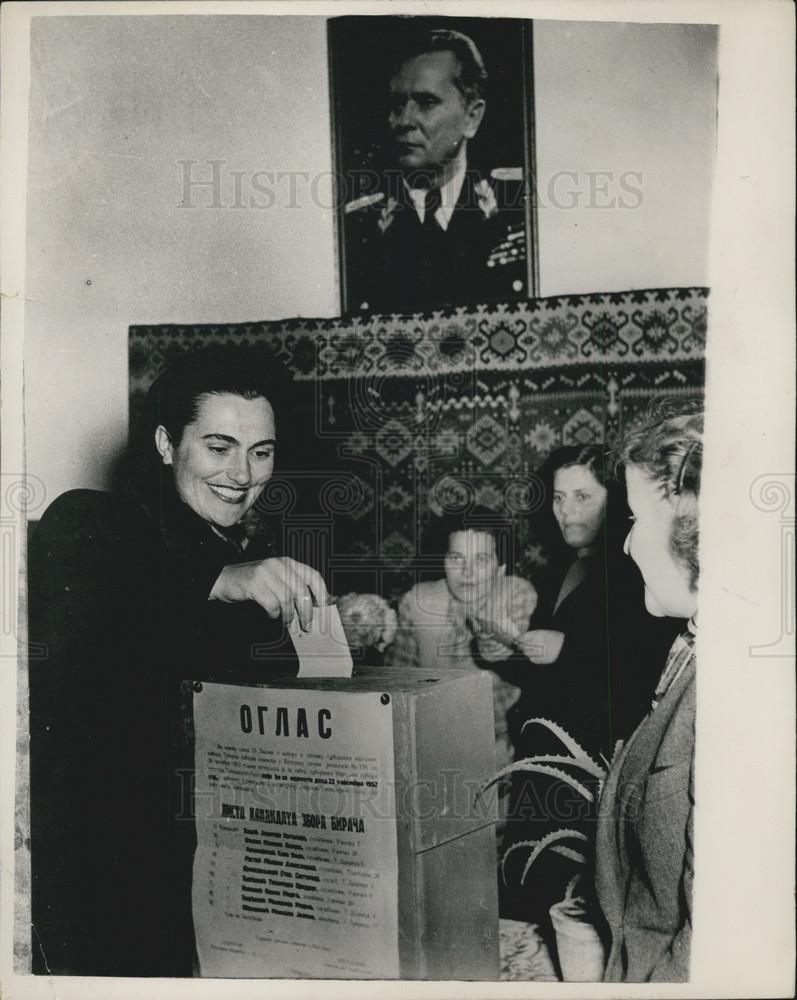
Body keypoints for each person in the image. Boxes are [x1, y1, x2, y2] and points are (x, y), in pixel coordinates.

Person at [27, 347, 329, 976]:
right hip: (109, 886)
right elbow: (90, 562)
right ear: (167, 445)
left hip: (228, 878)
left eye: (261, 451)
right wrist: (220, 578)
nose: (243, 474)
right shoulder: (94, 521)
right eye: (219, 447)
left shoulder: (248, 569)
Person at [594, 410, 702, 982]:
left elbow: (712, 945)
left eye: (637, 519)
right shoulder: (692, 648)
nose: (629, 544)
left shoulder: (733, 692)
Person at [509, 446, 680, 763]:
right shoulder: (556, 570)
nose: (566, 511)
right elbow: (545, 672)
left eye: (582, 497)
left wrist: (568, 649)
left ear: (614, 500)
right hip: (547, 747)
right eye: (559, 498)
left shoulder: (637, 572)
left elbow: (648, 669)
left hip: (596, 758)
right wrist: (506, 653)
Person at [344, 27, 527, 313]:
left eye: (426, 102)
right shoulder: (355, 227)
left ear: (471, 117)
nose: (404, 120)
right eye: (396, 104)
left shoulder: (519, 211)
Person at [384, 506, 537, 771]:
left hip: (503, 750)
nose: (467, 572)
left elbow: (522, 672)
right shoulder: (418, 602)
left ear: (500, 567)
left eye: (480, 560)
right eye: (456, 558)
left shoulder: (518, 594)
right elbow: (394, 687)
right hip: (431, 746)